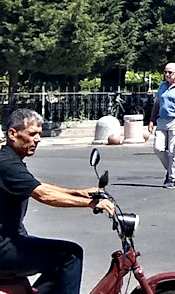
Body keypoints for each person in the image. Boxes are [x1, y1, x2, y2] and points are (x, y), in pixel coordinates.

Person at [0, 109, 116, 294]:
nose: (38, 139)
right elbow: (44, 195)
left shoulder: (11, 160)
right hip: (4, 246)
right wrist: (90, 204)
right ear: (13, 134)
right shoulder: (7, 164)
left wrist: (79, 193)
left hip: (11, 238)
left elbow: (37, 185)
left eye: (39, 133)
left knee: (55, 259)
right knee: (71, 255)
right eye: (32, 134)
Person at [148, 62, 175, 189]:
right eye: (165, 72)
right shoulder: (162, 86)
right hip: (162, 120)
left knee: (173, 150)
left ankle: (172, 177)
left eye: (170, 72)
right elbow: (157, 103)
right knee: (158, 148)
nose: (167, 75)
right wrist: (151, 120)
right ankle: (171, 169)